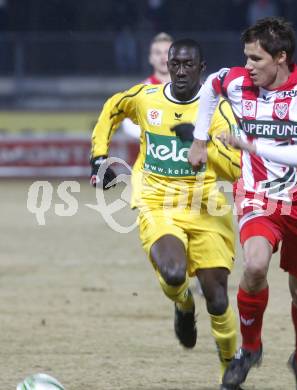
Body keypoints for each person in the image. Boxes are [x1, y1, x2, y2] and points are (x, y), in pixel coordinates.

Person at [188, 17, 297, 390]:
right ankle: (249, 349)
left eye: (256, 59)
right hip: (258, 195)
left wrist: (252, 145)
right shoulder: (236, 81)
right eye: (246, 57)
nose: (247, 66)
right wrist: (200, 139)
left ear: (281, 57)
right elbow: (209, 87)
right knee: (253, 266)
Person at [90, 39, 242, 386]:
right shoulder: (147, 98)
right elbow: (113, 107)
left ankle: (229, 370)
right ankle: (183, 303)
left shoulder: (219, 113)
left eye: (190, 65)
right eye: (176, 64)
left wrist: (202, 144)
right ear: (168, 66)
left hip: (205, 205)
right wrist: (99, 157)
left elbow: (236, 168)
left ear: (202, 69)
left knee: (218, 299)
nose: (181, 71)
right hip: (157, 200)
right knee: (174, 272)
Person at [122, 32, 173, 140]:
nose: (163, 57)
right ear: (150, 58)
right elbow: (127, 124)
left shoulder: (189, 89)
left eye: (167, 52)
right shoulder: (141, 90)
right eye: (158, 53)